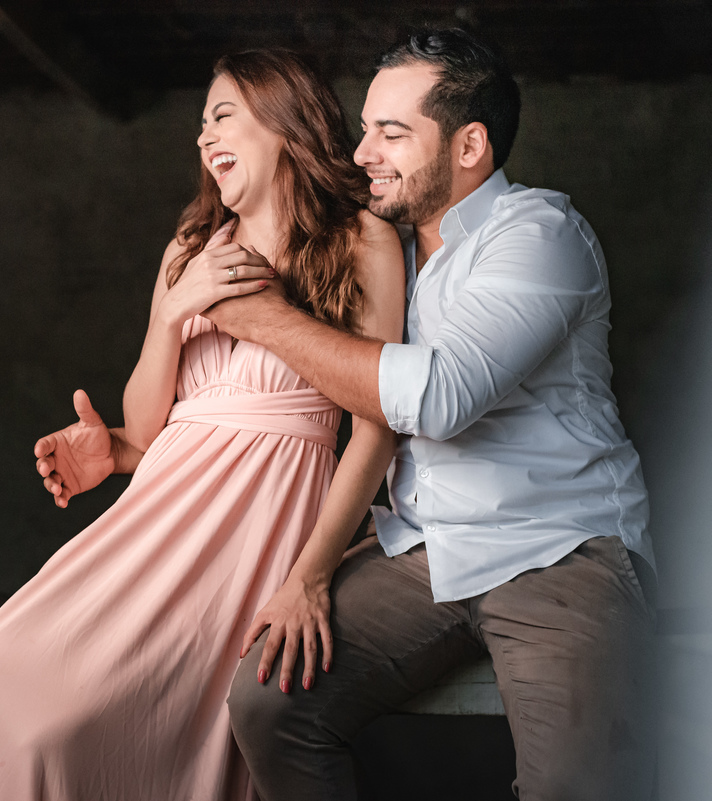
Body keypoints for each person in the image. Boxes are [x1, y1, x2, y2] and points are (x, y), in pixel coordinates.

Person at [36, 29, 657, 801]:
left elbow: (437, 398)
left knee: (573, 788)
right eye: (365, 129)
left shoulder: (539, 235)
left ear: (469, 146)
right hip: (418, 551)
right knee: (268, 702)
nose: (363, 152)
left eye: (392, 134)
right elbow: (291, 416)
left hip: (556, 550)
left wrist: (260, 317)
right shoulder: (379, 248)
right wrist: (136, 450)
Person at [0, 50, 405, 801]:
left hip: (260, 530)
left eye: (221, 115)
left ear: (284, 122)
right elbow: (145, 423)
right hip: (156, 517)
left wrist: (310, 575)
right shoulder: (190, 247)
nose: (202, 137)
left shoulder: (361, 244)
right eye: (200, 123)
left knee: (92, 730)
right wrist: (170, 310)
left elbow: (376, 430)